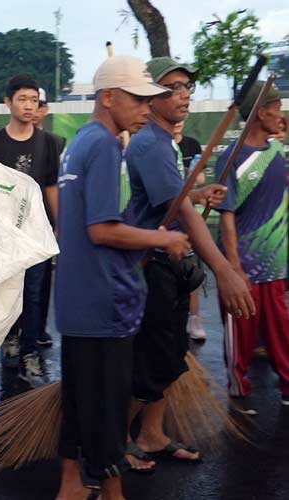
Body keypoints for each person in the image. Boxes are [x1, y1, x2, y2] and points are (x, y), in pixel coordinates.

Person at [54, 55, 189, 500]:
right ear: (109, 97)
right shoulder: (109, 145)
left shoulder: (80, 142)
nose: (146, 109)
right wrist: (161, 238)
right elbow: (102, 228)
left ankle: (72, 486)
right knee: (108, 412)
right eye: (138, 99)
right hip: (105, 302)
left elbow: (103, 216)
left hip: (78, 302)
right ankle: (113, 495)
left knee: (78, 402)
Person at [124, 57, 255, 471]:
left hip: (170, 265)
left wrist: (196, 196)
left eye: (187, 88)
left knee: (167, 357)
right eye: (173, 87)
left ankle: (152, 434)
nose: (184, 95)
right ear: (151, 95)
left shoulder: (166, 144)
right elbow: (180, 215)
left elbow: (173, 203)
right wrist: (225, 270)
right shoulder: (149, 144)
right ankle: (111, 445)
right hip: (152, 267)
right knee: (152, 362)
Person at [0, 74, 60, 384]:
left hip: (37, 233)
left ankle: (30, 352)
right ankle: (10, 339)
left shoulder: (48, 143)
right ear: (8, 103)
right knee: (6, 292)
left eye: (34, 100)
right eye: (22, 99)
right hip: (3, 235)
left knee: (35, 294)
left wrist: (58, 224)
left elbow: (51, 186)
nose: (29, 106)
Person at [215, 81, 289, 413]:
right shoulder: (231, 158)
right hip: (243, 267)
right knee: (241, 333)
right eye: (277, 109)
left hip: (276, 265)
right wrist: (234, 268)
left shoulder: (277, 154)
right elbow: (227, 216)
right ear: (261, 113)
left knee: (282, 331)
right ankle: (238, 388)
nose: (282, 116)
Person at [173, 119, 208, 340]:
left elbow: (201, 177)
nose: (178, 123)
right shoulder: (157, 145)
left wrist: (188, 174)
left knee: (191, 267)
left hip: (188, 213)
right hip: (167, 217)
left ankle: (194, 318)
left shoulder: (191, 145)